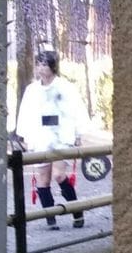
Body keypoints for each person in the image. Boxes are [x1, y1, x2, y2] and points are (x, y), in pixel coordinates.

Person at [11, 49, 90, 229]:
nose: (40, 68)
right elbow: (26, 113)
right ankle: (50, 217)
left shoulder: (65, 87)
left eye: (45, 64)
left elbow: (76, 109)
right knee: (43, 179)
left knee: (59, 175)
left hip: (61, 134)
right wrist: (23, 135)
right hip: (40, 135)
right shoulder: (32, 90)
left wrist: (78, 134)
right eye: (38, 64)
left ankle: (76, 211)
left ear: (53, 66)